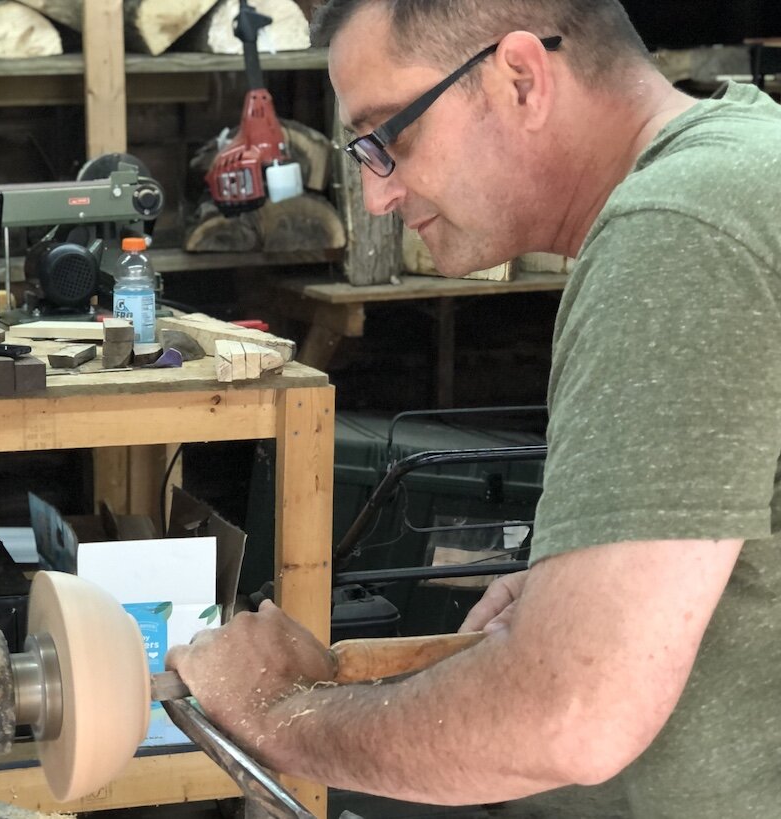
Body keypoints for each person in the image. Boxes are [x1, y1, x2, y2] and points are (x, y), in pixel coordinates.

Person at [166, 1, 781, 817]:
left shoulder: (675, 233)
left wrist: (277, 713)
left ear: (521, 78)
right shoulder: (748, 158)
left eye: (390, 137)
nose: (377, 195)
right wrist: (584, 590)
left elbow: (570, 717)